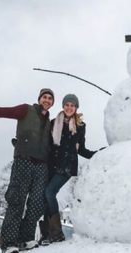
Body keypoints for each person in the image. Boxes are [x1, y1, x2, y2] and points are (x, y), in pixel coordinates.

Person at [0, 89, 55, 253]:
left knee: (36, 205)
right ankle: (8, 243)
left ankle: (26, 238)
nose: (47, 100)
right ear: (39, 99)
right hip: (23, 161)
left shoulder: (50, 123)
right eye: (45, 97)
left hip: (41, 166)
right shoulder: (26, 110)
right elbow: (2, 112)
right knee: (16, 201)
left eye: (50, 98)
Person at [41, 94, 97, 243]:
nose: (69, 107)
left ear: (76, 108)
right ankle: (46, 235)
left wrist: (96, 154)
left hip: (66, 166)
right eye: (67, 104)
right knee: (45, 197)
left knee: (49, 192)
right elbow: (47, 144)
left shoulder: (80, 126)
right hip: (51, 164)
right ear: (63, 106)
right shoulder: (54, 122)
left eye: (72, 105)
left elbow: (81, 149)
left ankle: (57, 233)